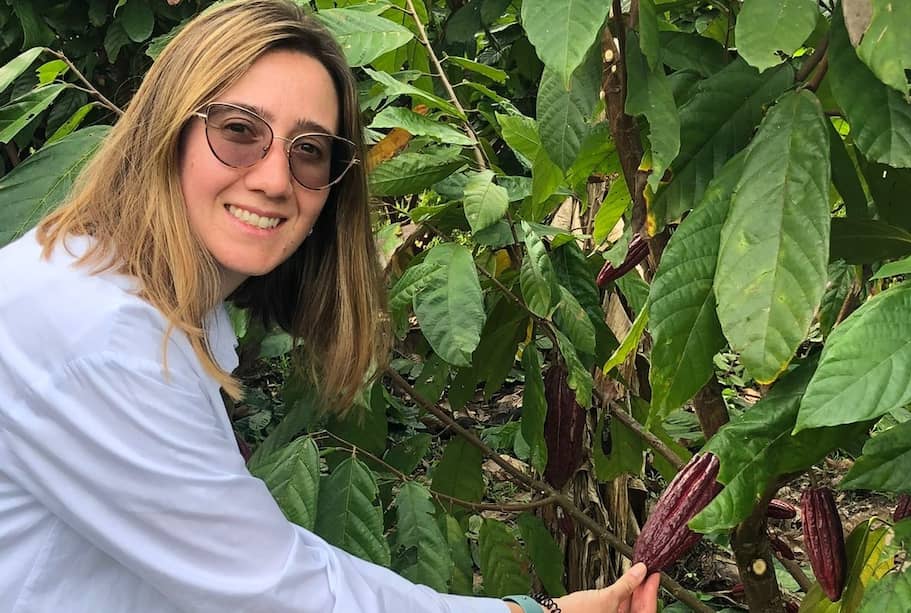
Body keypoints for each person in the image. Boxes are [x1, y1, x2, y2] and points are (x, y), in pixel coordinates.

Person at [0, 1, 660, 611]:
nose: (273, 178)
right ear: (165, 130)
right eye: (238, 130)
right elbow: (279, 594)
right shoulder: (102, 333)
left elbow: (262, 561)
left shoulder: (116, 284)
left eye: (309, 151)